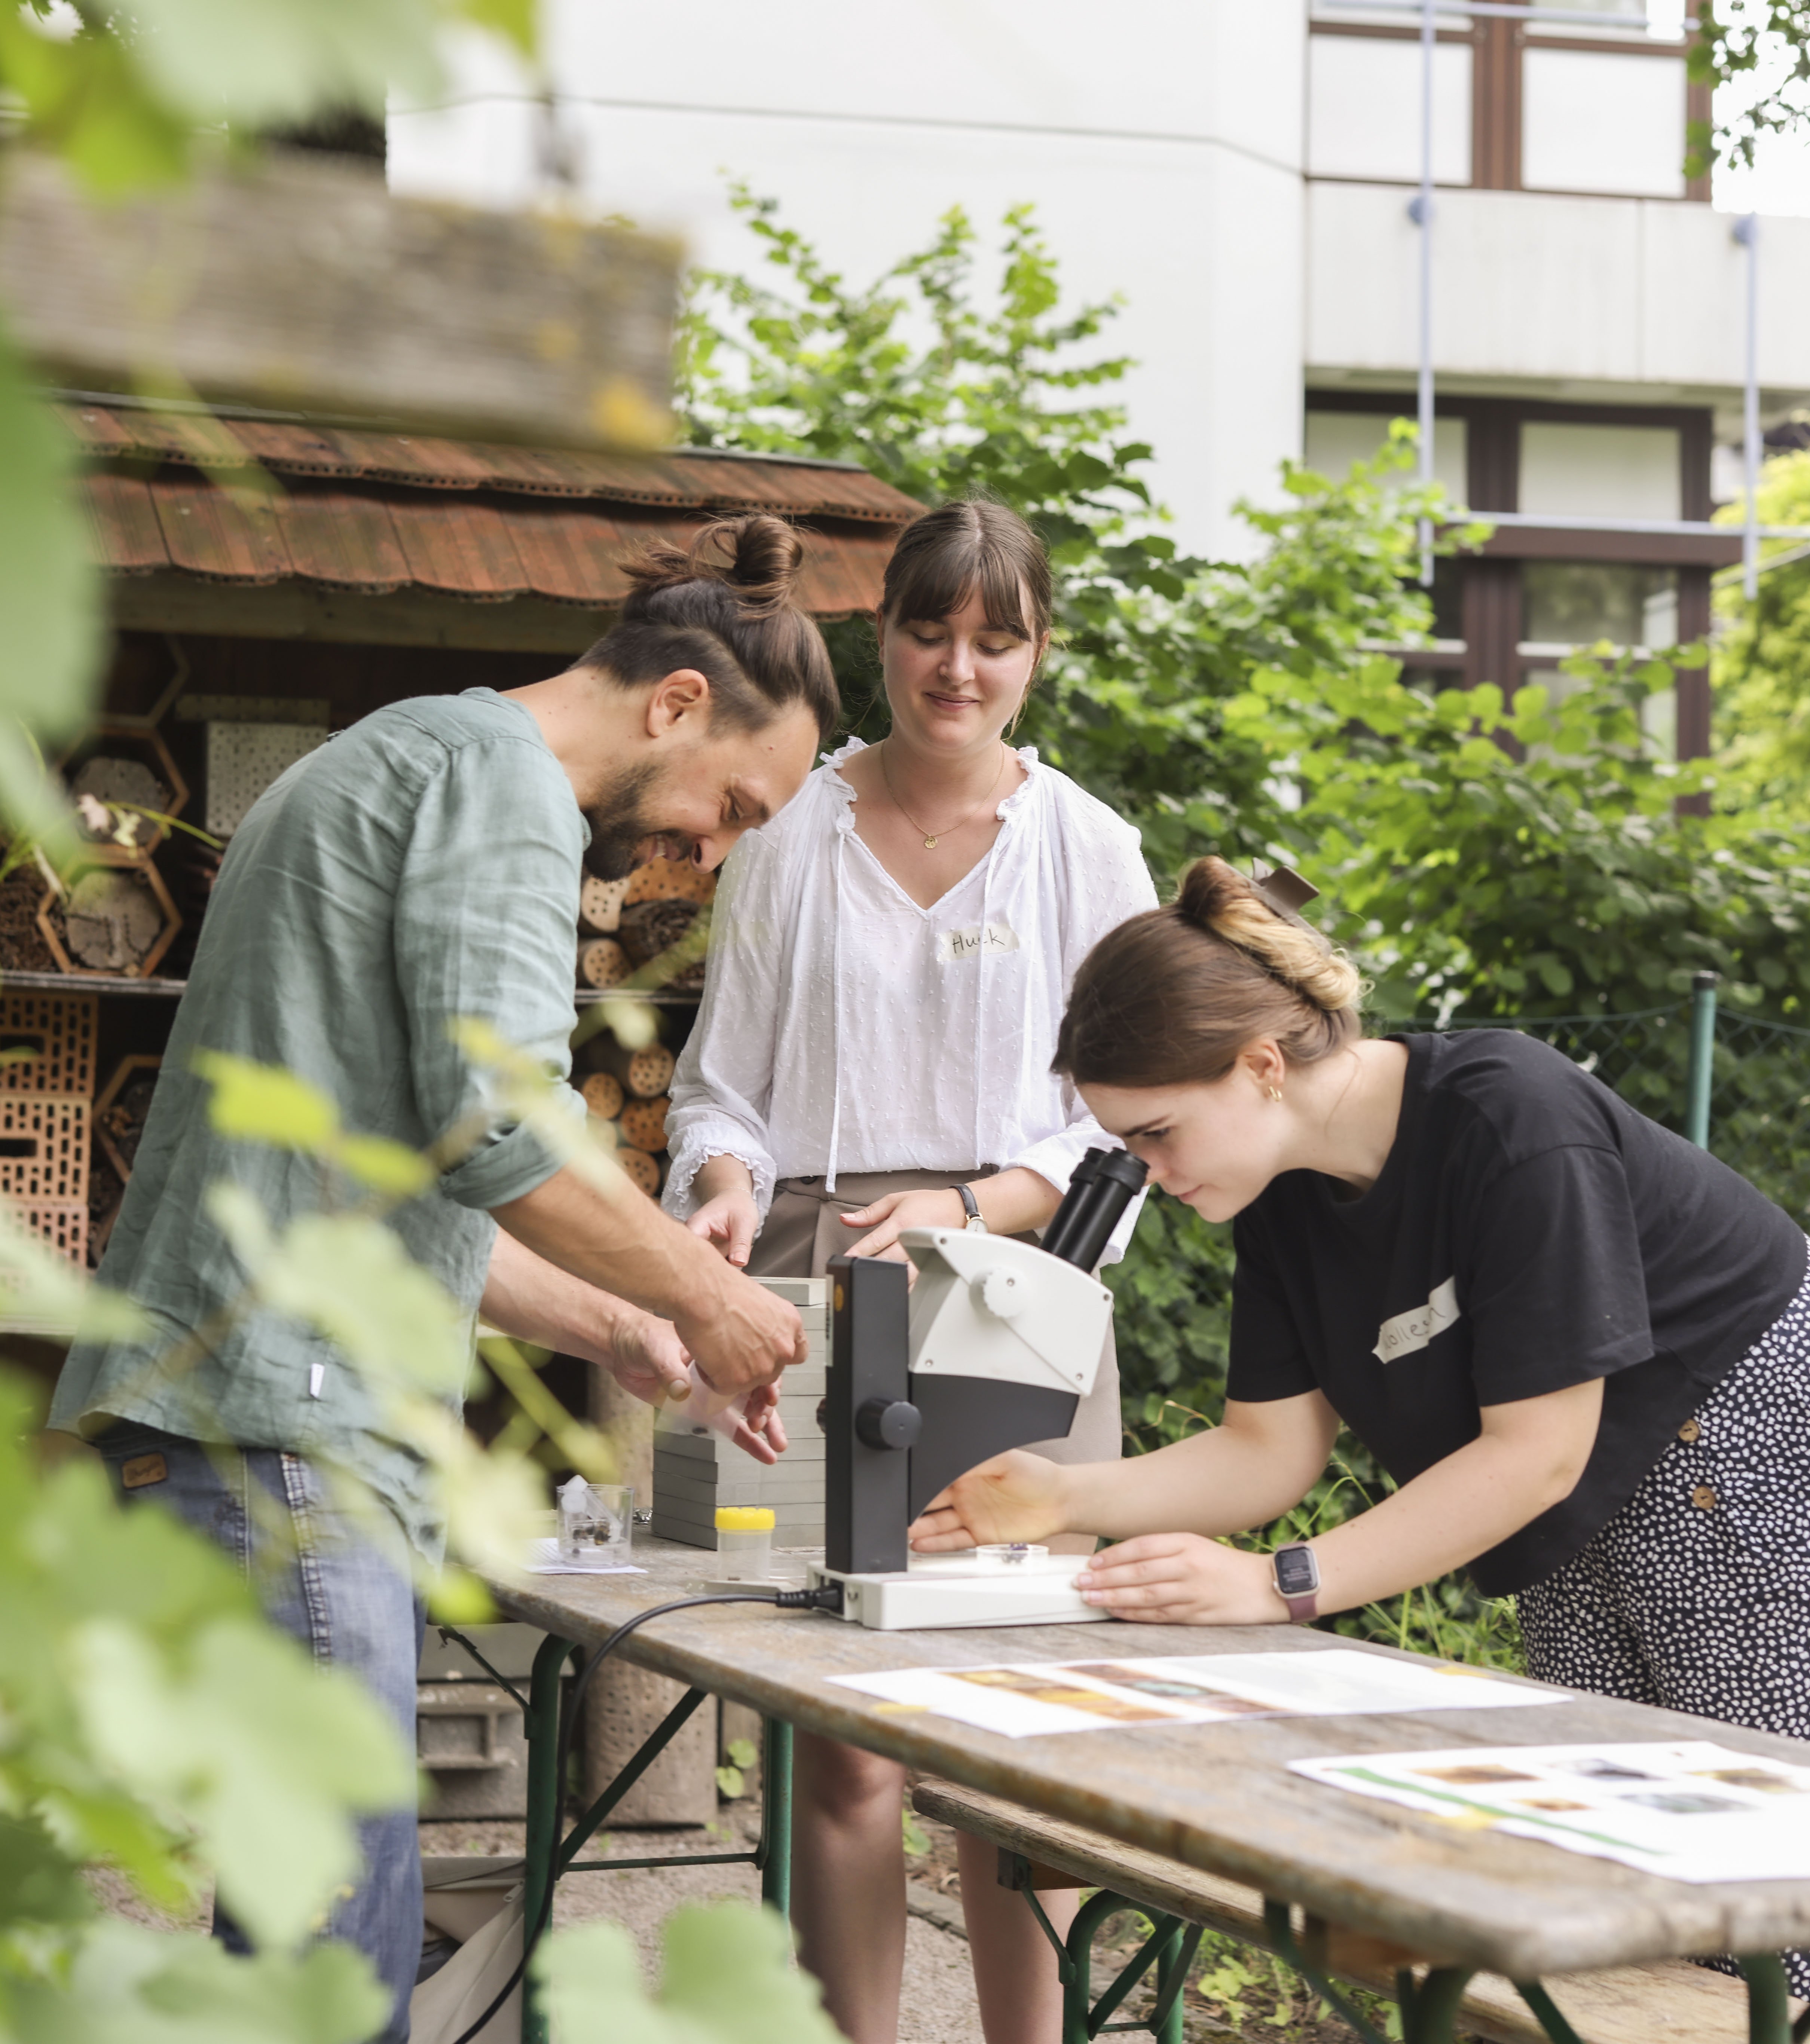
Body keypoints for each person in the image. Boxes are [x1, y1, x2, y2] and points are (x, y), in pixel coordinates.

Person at [911, 859, 1810, 2044]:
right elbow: (1269, 1452)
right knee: (1614, 1852)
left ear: (1260, 1066)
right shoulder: (1279, 1193)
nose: (1146, 1171)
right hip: (1583, 1481)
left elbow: (1537, 1454)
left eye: (1155, 1132)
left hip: (1768, 1418)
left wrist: (1279, 1585)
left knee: (1783, 1850)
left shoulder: (1511, 1115)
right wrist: (1061, 1495)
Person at [52, 516, 833, 2043]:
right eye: (731, 804)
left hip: (233, 1416)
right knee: (339, 1960)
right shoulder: (505, 792)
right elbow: (500, 1130)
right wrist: (707, 1298)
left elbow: (391, 1184)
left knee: (299, 1938)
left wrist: (621, 1322)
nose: (710, 847)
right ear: (674, 701)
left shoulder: (403, 758)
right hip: (284, 1434)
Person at [662, 500, 1157, 2044]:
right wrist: (729, 1184)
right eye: (929, 631)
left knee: (1014, 1721)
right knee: (845, 1734)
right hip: (815, 1275)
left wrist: (978, 1197)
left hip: (1018, 1280)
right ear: (881, 633)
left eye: (993, 639)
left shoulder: (1087, 848)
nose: (957, 668)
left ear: (1036, 654)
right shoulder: (790, 825)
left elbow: (1133, 1114)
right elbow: (715, 1088)